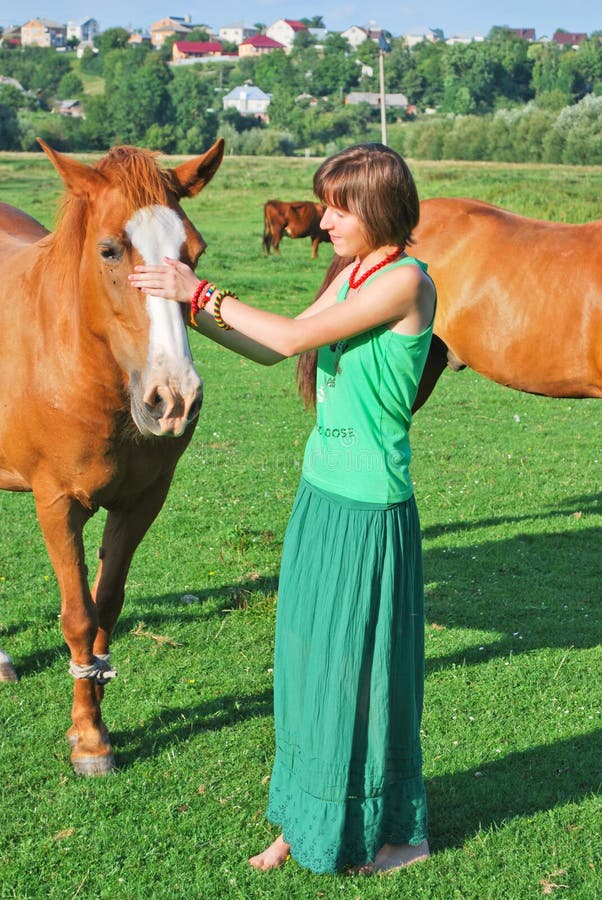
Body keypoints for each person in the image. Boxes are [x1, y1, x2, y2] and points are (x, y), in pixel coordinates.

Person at [128, 142, 436, 876]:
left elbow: (294, 337)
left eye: (337, 207)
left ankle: (398, 836)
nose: (322, 220)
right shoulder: (352, 272)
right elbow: (271, 351)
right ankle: (304, 817)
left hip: (369, 509)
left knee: (355, 672)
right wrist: (185, 303)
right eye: (323, 204)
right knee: (306, 665)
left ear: (377, 208)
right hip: (321, 495)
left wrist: (198, 293)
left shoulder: (404, 282)